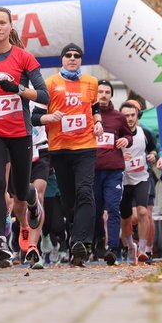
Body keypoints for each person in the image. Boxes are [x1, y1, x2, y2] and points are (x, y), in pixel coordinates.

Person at [0, 7, 49, 267]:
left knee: (20, 190)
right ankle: (0, 242)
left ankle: (33, 201)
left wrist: (18, 88)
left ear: (10, 26)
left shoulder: (24, 58)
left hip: (20, 132)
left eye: (2, 23)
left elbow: (45, 96)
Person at [36, 43, 102, 267]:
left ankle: (81, 242)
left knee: (85, 191)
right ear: (62, 59)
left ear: (81, 60)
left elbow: (95, 108)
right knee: (69, 200)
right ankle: (75, 240)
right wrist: (49, 118)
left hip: (86, 146)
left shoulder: (91, 82)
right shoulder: (49, 84)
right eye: (68, 55)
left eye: (76, 56)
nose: (72, 58)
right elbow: (35, 116)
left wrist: (99, 123)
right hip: (60, 148)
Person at [92, 80, 132, 265]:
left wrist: (126, 140)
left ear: (111, 95)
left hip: (113, 171)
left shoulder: (118, 117)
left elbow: (128, 134)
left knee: (113, 208)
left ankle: (113, 249)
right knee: (95, 210)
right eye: (100, 92)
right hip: (92, 171)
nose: (103, 95)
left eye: (107, 92)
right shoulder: (88, 115)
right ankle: (100, 238)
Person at [120, 101, 162, 263]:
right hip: (123, 180)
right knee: (127, 218)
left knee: (144, 213)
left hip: (142, 178)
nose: (130, 118)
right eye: (126, 116)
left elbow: (156, 148)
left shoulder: (145, 132)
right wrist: (119, 156)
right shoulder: (116, 133)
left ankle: (144, 250)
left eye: (133, 115)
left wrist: (155, 155)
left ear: (137, 115)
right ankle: (130, 246)